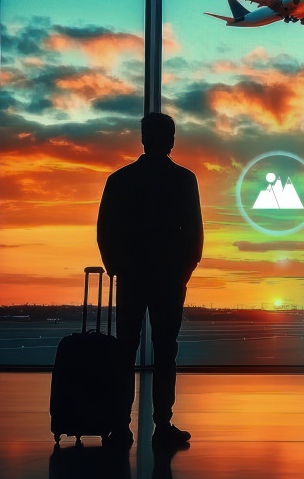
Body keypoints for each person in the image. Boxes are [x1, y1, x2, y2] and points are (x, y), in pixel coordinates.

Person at [97, 112, 203, 448]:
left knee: (124, 351)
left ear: (143, 139)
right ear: (171, 140)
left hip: (131, 277)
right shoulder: (184, 180)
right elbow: (195, 232)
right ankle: (163, 424)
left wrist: (117, 266)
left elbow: (105, 230)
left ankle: (119, 424)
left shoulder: (120, 180)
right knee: (165, 352)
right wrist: (184, 270)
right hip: (169, 279)